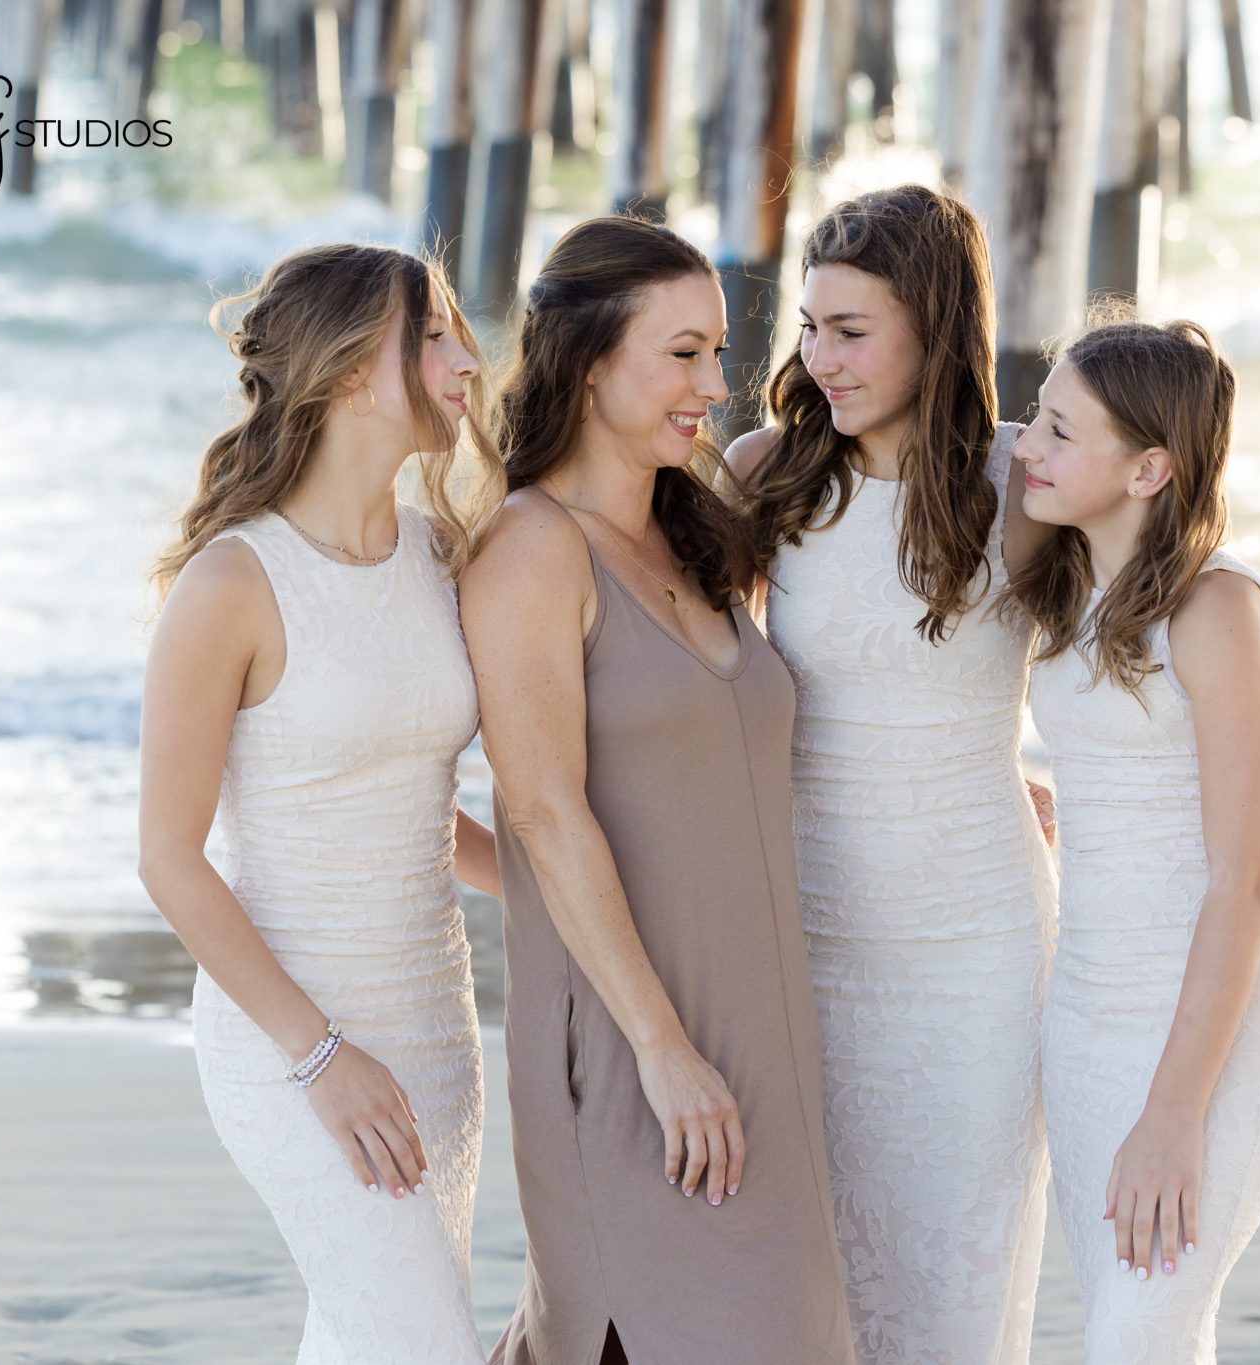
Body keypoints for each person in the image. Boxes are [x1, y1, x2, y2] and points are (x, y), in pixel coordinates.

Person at [460, 216, 854, 1365]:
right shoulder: (532, 546)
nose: (713, 387)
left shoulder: (698, 538)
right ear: (586, 360)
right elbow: (538, 810)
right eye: (680, 354)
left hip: (761, 1033)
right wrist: (661, 1046)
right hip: (640, 1043)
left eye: (717, 354)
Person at [138, 243, 504, 1363]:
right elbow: (169, 860)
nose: (467, 363)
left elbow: (411, 809)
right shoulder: (232, 584)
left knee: (366, 1340)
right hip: (291, 1043)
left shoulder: (439, 557)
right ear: (352, 372)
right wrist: (318, 1057)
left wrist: (563, 889)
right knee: (421, 1342)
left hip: (435, 1031)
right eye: (433, 335)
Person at [727, 184, 1058, 1365]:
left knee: (957, 1295)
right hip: (804, 939)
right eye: (808, 328)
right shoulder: (765, 472)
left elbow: (1163, 658)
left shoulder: (1031, 485)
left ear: (934, 324)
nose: (819, 359)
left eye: (851, 331)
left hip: (979, 947)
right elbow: (683, 689)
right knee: (812, 1297)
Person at [1011, 315, 1260, 1363]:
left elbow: (1243, 887)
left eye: (1060, 431)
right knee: (1143, 1329)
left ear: (1149, 467)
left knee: (1135, 1337)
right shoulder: (1068, 586)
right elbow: (1152, 757)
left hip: (1225, 1017)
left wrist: (1172, 1113)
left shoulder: (1218, 607)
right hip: (1090, 1000)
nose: (1025, 445)